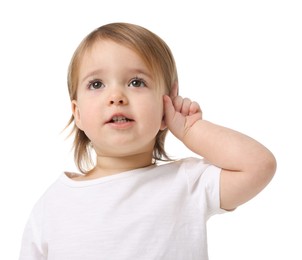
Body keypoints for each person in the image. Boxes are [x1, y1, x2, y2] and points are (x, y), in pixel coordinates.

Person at [19, 22, 276, 260]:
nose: (116, 96)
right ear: (77, 114)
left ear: (166, 104)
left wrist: (190, 130)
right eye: (97, 84)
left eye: (136, 82)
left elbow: (258, 165)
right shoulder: (52, 204)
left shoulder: (188, 183)